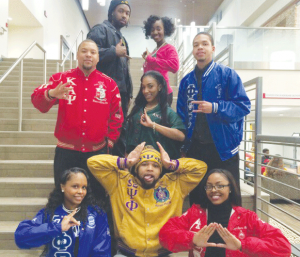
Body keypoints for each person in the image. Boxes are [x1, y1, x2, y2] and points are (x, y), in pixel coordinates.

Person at [31, 39, 123, 197]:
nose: (88, 55)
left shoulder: (109, 84)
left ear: (98, 58)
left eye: (93, 52)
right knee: (64, 198)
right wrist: (52, 93)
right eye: (84, 51)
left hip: (97, 152)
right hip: (66, 153)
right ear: (77, 55)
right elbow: (37, 100)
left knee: (96, 197)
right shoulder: (61, 79)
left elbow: (117, 115)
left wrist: (111, 140)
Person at [87, 142, 207, 257]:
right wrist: (125, 162)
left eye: (155, 166)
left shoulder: (174, 184)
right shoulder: (120, 182)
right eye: (144, 164)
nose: (150, 169)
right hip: (127, 252)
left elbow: (201, 168)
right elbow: (93, 162)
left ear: (161, 170)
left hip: (164, 252)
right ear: (136, 168)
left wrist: (172, 164)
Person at [177, 32, 251, 204]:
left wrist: (215, 108)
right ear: (193, 51)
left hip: (223, 149)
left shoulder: (227, 75)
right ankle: (201, 230)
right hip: (195, 149)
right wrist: (183, 146)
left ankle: (229, 231)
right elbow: (181, 116)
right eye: (196, 45)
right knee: (198, 197)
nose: (200, 47)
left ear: (213, 48)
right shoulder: (186, 81)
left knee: (229, 196)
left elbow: (243, 106)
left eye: (204, 44)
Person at [159, 169, 291, 257]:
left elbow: (283, 247)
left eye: (220, 185)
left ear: (230, 188)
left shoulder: (246, 217)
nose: (213, 190)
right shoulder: (194, 213)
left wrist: (242, 245)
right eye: (209, 186)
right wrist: (192, 239)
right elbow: (165, 235)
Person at [15, 167, 111, 257]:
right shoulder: (49, 213)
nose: (81, 191)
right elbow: (21, 237)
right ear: (63, 187)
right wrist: (57, 227)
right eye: (75, 186)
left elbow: (102, 251)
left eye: (84, 187)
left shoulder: (97, 214)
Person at [87, 0, 132, 118]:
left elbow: (125, 70)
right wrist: (113, 51)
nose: (124, 16)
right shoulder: (100, 29)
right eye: (121, 11)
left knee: (118, 131)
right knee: (101, 130)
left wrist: (129, 94)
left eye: (127, 13)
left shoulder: (123, 39)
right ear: (112, 12)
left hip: (120, 94)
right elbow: (88, 56)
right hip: (102, 92)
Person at [126, 71, 185, 160]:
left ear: (160, 87)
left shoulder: (167, 112)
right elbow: (129, 142)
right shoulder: (137, 111)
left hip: (159, 165)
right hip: (138, 165)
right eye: (143, 87)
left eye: (150, 86)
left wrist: (153, 125)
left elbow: (181, 136)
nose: (145, 91)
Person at [142, 15, 179, 106]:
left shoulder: (169, 48)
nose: (155, 32)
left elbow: (175, 66)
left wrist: (151, 59)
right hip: (152, 92)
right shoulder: (155, 50)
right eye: (152, 29)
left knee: (161, 120)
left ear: (165, 30)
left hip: (163, 93)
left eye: (158, 29)